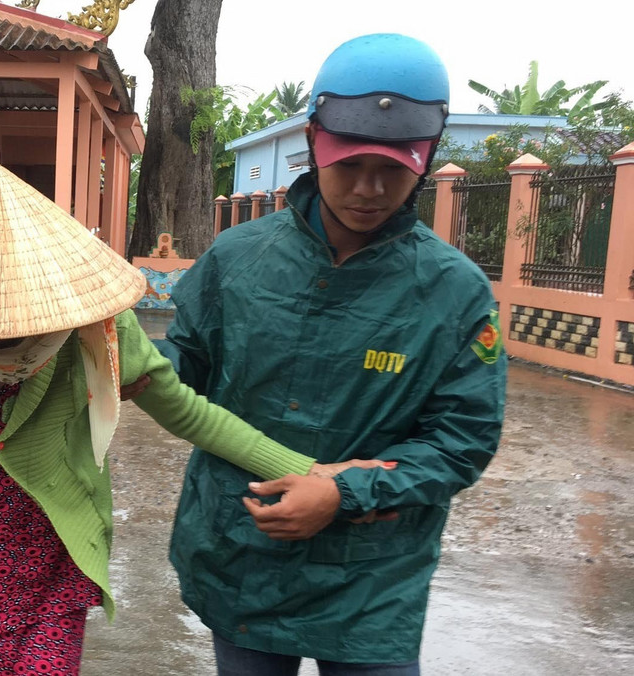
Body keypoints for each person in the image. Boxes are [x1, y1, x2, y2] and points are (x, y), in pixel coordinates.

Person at [0, 164, 386, 675]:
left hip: (50, 551)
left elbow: (191, 414)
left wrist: (310, 470)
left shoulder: (102, 331)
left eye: (19, 324)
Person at [159, 33, 508, 675]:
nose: (370, 189)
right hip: (244, 555)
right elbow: (174, 378)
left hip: (372, 579)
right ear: (316, 143)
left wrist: (346, 490)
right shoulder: (236, 261)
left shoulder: (454, 292)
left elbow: (463, 441)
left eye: (393, 170)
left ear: (424, 159)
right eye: (350, 165)